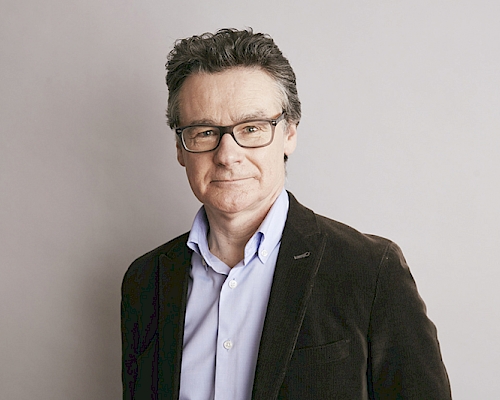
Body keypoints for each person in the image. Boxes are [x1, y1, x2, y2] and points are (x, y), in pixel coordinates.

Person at [121, 28, 452, 399]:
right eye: (205, 132)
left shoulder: (370, 270)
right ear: (181, 148)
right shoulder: (146, 281)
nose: (227, 155)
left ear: (290, 134)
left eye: (251, 128)